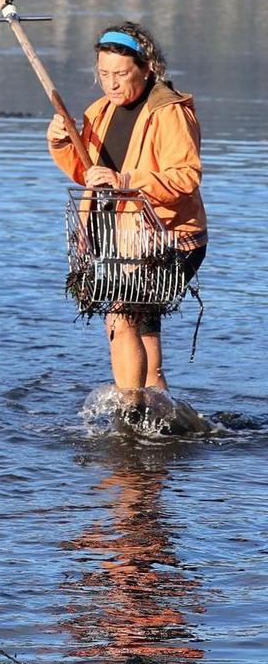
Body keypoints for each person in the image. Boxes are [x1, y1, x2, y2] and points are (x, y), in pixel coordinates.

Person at [46, 22, 206, 412]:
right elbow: (89, 175)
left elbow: (186, 175)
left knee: (121, 318)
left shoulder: (169, 112)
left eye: (121, 74)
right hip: (122, 241)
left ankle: (130, 415)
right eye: (103, 74)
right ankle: (160, 413)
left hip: (168, 240)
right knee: (143, 331)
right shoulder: (98, 111)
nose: (111, 85)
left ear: (147, 68)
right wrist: (63, 141)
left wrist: (127, 180)